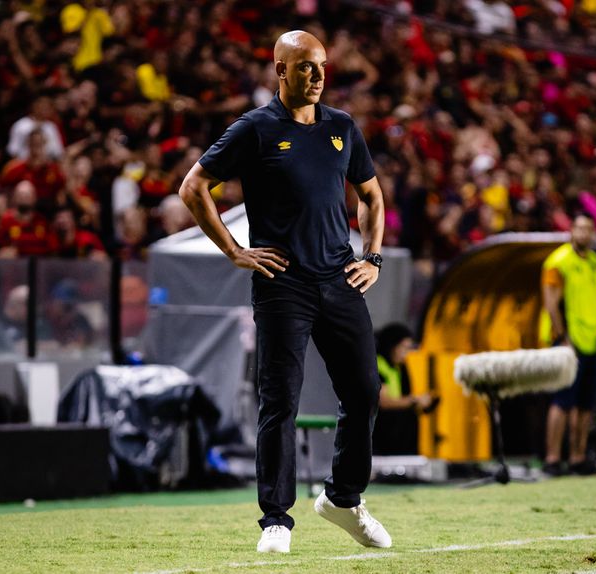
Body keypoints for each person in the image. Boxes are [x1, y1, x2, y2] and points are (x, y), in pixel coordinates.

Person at [178, 30, 390, 554]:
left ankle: (343, 499)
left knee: (364, 392)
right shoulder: (254, 128)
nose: (317, 76)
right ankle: (276, 520)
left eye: (321, 66)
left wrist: (372, 257)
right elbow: (193, 186)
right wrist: (234, 250)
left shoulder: (341, 126)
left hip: (339, 278)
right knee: (279, 403)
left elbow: (371, 195)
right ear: (280, 70)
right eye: (305, 67)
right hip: (283, 285)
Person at [541, 213, 596, 476]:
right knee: (562, 401)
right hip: (570, 342)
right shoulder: (558, 262)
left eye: (588, 229)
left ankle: (578, 457)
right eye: (579, 228)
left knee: (586, 404)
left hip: (594, 340)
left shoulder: (595, 261)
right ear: (571, 231)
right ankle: (552, 458)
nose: (583, 234)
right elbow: (551, 303)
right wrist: (562, 337)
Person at [372, 323, 437, 456]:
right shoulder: (377, 365)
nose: (407, 353)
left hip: (401, 440)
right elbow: (384, 402)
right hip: (383, 439)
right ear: (392, 346)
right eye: (404, 347)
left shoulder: (400, 368)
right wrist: (414, 401)